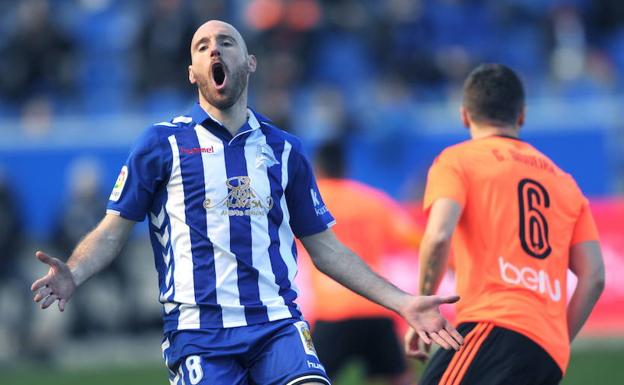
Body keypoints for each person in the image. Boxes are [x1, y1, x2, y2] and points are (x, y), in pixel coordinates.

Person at [31, 20, 463, 385]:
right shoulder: (162, 144)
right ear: (192, 72)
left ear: (250, 63)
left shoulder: (284, 151)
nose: (214, 49)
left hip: (277, 325)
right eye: (202, 46)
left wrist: (404, 301)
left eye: (226, 42)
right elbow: (112, 230)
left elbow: (327, 250)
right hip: (199, 333)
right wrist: (76, 270)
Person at [404, 63, 605, 385]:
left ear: (464, 115)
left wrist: (422, 308)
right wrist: (556, 340)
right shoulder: (565, 183)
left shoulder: (459, 160)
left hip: (493, 324)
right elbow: (594, 276)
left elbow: (439, 235)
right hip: (548, 352)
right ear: (521, 115)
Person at [303, 140, 421, 385]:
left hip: (333, 310)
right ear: (345, 168)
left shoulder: (309, 200)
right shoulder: (371, 200)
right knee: (400, 378)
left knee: (309, 377)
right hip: (375, 303)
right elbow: (414, 239)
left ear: (317, 168)